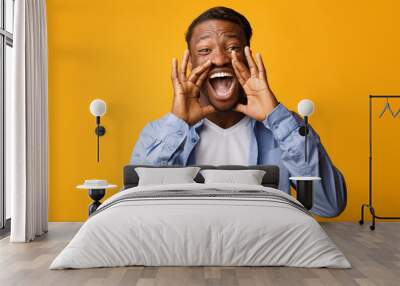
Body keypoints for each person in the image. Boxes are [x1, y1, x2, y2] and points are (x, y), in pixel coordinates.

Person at [130, 6, 346, 217]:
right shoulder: (157, 133)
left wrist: (277, 118)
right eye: (205, 50)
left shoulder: (286, 129)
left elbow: (330, 205)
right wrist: (177, 124)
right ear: (191, 63)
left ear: (247, 55)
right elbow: (134, 208)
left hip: (262, 249)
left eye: (232, 47)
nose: (220, 59)